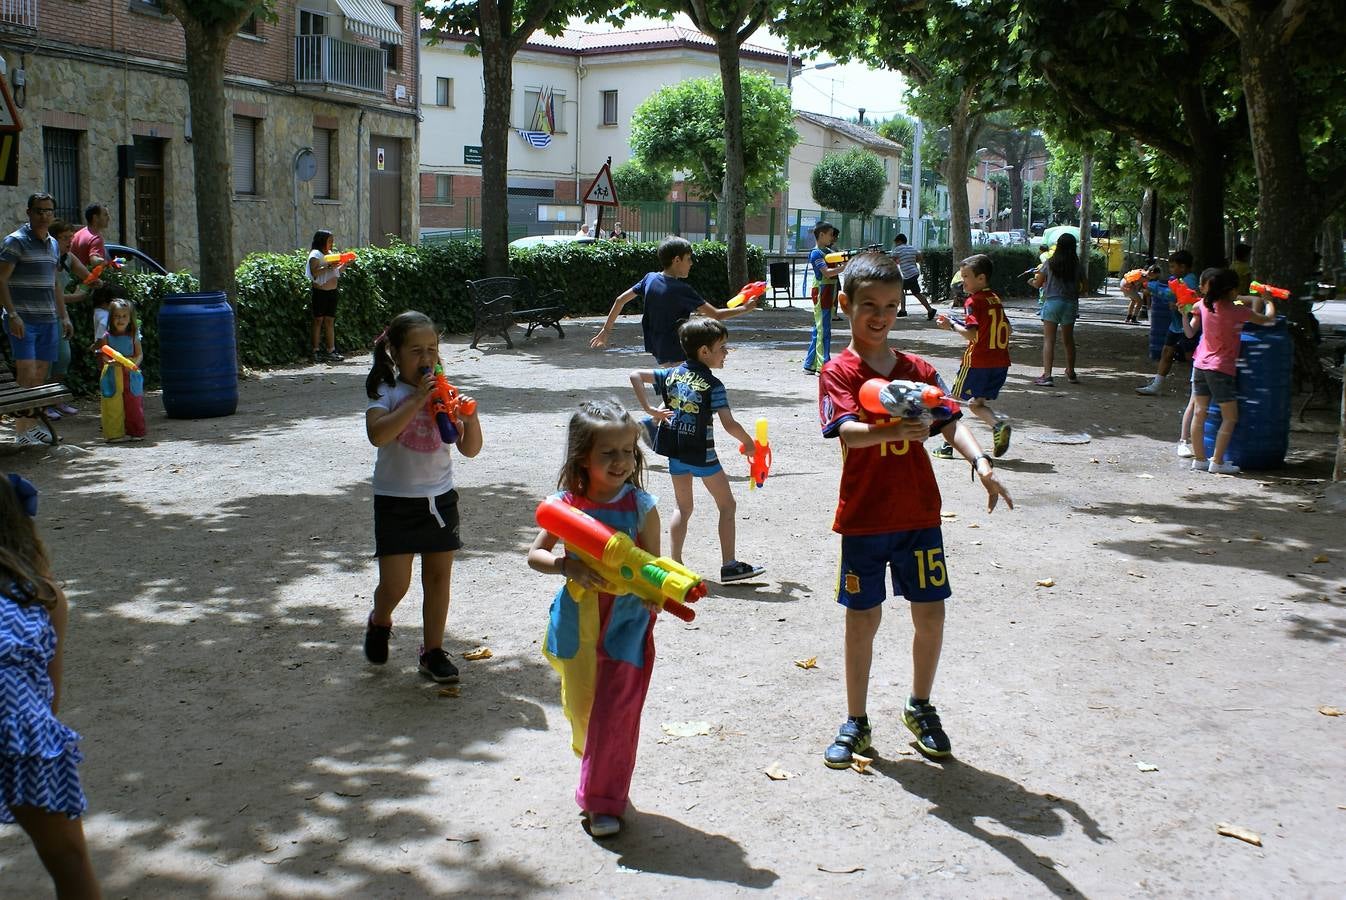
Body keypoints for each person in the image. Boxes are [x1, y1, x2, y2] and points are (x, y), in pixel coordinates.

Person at [817, 252, 1012, 768]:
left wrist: (981, 462)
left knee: (931, 614)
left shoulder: (918, 370)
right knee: (863, 619)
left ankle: (920, 706)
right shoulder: (838, 371)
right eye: (867, 306)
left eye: (890, 305)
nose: (879, 316)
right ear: (845, 305)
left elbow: (950, 420)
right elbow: (846, 433)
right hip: (863, 517)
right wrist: (889, 429)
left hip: (920, 515)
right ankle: (856, 721)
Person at [526, 400, 663, 839]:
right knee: (584, 710)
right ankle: (599, 767)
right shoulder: (566, 506)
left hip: (628, 623)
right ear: (582, 456)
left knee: (615, 714)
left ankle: (603, 800)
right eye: (609, 453)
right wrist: (567, 567)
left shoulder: (642, 506)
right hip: (579, 621)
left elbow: (655, 565)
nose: (621, 461)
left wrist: (657, 592)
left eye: (628, 451)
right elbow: (536, 553)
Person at [362, 311, 483, 683]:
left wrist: (470, 417)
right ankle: (380, 620)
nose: (426, 358)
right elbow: (378, 435)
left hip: (439, 498)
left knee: (437, 578)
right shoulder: (387, 391)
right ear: (395, 353)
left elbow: (470, 449)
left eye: (432, 348)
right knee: (396, 584)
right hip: (397, 500)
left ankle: (432, 652)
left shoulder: (443, 391)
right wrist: (415, 401)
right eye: (416, 350)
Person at [0, 474, 102, 897]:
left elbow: (48, 698)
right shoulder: (39, 597)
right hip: (22, 739)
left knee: (70, 860)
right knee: (69, 860)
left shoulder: (41, 595)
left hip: (21, 740)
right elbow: (48, 698)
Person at [629, 318, 765, 583]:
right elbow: (729, 424)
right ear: (705, 351)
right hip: (703, 455)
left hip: (676, 451)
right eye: (722, 347)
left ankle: (675, 562)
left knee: (683, 508)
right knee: (727, 505)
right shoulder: (714, 386)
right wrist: (749, 443)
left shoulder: (672, 373)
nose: (726, 353)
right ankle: (729, 565)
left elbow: (634, 375)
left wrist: (649, 409)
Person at [590, 236, 759, 363]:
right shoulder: (682, 290)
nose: (691, 263)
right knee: (683, 389)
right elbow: (716, 315)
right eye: (688, 259)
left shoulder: (650, 278)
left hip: (657, 347)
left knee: (673, 388)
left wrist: (605, 331)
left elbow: (620, 300)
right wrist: (745, 308)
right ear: (676, 260)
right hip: (679, 349)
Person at [1183, 268, 1277, 475]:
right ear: (1231, 290)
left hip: (1200, 365)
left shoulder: (1202, 306)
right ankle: (1217, 461)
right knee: (1230, 417)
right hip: (1221, 369)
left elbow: (1193, 316)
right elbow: (1268, 320)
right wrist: (1268, 300)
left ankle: (1199, 459)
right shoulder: (1238, 312)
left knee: (1200, 413)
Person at [0, 193, 72, 447]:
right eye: (39, 211)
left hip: (48, 319)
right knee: (27, 373)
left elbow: (55, 284)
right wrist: (12, 314)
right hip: (23, 319)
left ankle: (31, 427)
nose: (44, 216)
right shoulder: (15, 242)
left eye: (49, 211)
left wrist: (64, 316)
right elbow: (1, 280)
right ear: (29, 212)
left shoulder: (53, 244)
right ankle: (22, 431)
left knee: (40, 375)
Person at [933, 253, 1012, 459]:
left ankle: (947, 446)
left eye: (966, 276)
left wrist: (951, 325)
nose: (962, 281)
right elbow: (1008, 329)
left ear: (981, 278)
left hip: (977, 362)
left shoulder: (973, 301)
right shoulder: (994, 298)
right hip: (1000, 363)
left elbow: (972, 334)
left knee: (952, 400)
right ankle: (998, 425)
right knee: (976, 404)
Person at [1136, 250, 1197, 396]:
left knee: (1191, 356)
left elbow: (1170, 294)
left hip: (1189, 325)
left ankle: (1198, 386)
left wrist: (1149, 286)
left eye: (1172, 266)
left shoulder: (1189, 280)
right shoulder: (1178, 279)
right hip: (1176, 325)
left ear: (1182, 267)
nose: (1171, 270)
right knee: (1167, 352)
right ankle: (1157, 385)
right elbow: (1170, 293)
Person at [1030, 232, 1081, 386]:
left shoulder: (1049, 263)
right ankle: (1071, 372)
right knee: (1068, 340)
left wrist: (1031, 281)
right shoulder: (1077, 265)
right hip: (1070, 303)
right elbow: (1085, 286)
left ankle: (1047, 375)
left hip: (1052, 302)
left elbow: (1038, 283)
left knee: (1049, 340)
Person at [96, 299, 146, 442]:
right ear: (111, 318)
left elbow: (139, 354)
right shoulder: (106, 336)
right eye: (117, 316)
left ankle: (135, 431)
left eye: (124, 316)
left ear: (130, 318)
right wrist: (109, 361)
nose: (121, 319)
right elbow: (104, 353)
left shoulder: (133, 336)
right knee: (113, 403)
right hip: (113, 373)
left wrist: (133, 365)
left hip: (130, 374)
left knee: (134, 403)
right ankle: (114, 433)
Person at [803, 222, 843, 374]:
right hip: (822, 291)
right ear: (821, 235)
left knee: (820, 329)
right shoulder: (816, 253)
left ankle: (809, 364)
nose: (832, 237)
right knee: (823, 330)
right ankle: (823, 365)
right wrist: (845, 267)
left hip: (828, 291)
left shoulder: (827, 251)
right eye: (830, 234)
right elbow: (826, 272)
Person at [305, 230, 350, 364]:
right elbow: (315, 272)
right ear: (321, 241)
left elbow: (335, 272)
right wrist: (329, 266)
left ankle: (331, 350)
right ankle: (315, 351)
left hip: (332, 291)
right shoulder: (315, 255)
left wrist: (345, 264)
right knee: (318, 320)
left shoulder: (330, 254)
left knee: (330, 321)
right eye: (329, 240)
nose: (331, 243)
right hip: (320, 292)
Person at [891, 233, 935, 319]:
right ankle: (904, 310)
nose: (895, 244)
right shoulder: (911, 248)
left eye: (896, 242)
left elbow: (892, 260)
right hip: (914, 273)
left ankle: (929, 310)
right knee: (907, 290)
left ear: (899, 241)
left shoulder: (898, 249)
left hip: (908, 275)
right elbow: (919, 256)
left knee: (912, 292)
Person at [69, 204, 109, 269]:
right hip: (88, 277)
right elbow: (94, 260)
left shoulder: (77, 234)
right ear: (95, 218)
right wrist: (108, 264)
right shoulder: (96, 238)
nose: (108, 218)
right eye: (105, 215)